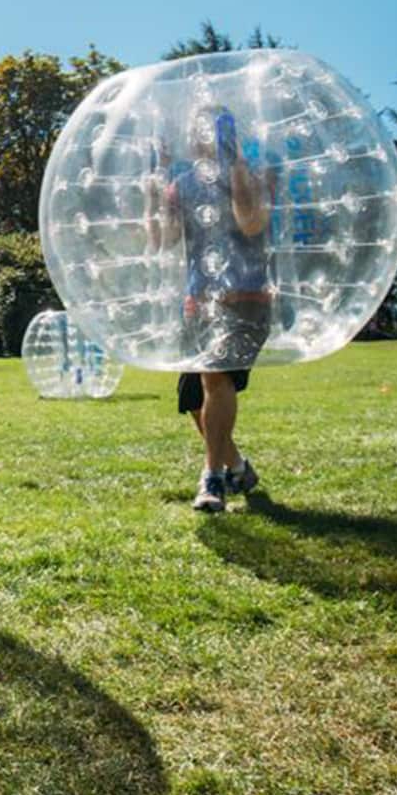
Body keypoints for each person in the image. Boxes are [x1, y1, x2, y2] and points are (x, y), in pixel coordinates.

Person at [150, 106, 273, 513]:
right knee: (192, 398)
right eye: (196, 130)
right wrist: (156, 186)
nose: (199, 137)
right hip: (198, 301)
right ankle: (238, 467)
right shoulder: (182, 184)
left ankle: (212, 479)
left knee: (215, 377)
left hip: (245, 299)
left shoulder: (254, 176)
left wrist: (234, 164)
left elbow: (251, 222)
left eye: (214, 130)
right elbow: (164, 240)